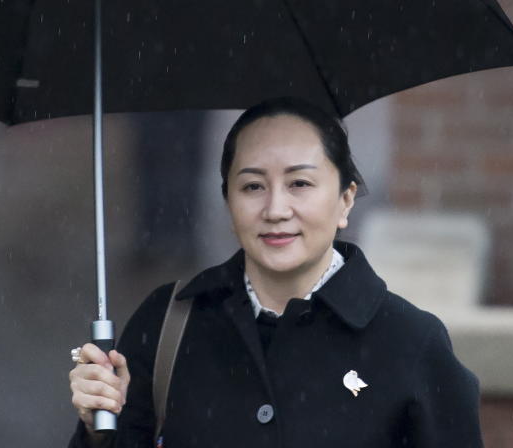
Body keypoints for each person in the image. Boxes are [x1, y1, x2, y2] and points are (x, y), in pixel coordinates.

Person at [67, 97, 483, 447]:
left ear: (345, 200)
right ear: (228, 203)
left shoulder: (410, 344)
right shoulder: (168, 325)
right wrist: (97, 431)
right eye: (252, 187)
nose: (276, 210)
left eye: (299, 184)